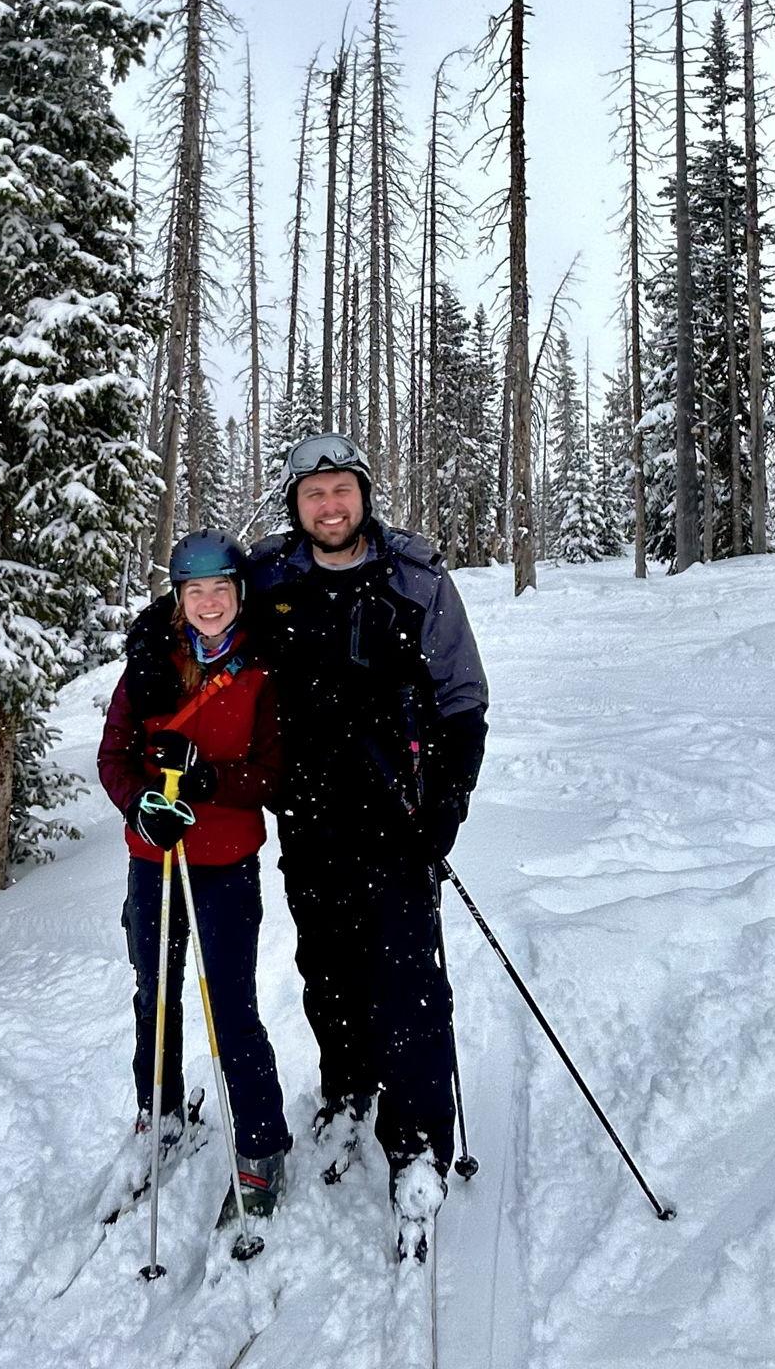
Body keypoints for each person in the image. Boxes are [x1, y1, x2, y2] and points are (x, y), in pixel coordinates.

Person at [246, 431, 489, 1255]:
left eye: (341, 489)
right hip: (309, 818)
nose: (330, 505)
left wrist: (446, 805)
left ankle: (417, 1140)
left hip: (398, 820)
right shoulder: (267, 582)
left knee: (409, 979)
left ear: (363, 495)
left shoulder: (416, 580)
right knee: (327, 967)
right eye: (314, 495)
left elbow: (463, 699)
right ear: (295, 506)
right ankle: (348, 1085)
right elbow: (197, 631)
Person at [97, 528, 291, 1221]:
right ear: (178, 598)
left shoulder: (265, 667)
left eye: (220, 589)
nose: (209, 603)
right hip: (152, 860)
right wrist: (139, 808)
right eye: (194, 591)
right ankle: (161, 1113)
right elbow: (114, 756)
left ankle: (262, 1143)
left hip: (226, 863)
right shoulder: (151, 660)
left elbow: (274, 772)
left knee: (229, 1006)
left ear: (239, 593)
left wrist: (212, 776)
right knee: (154, 993)